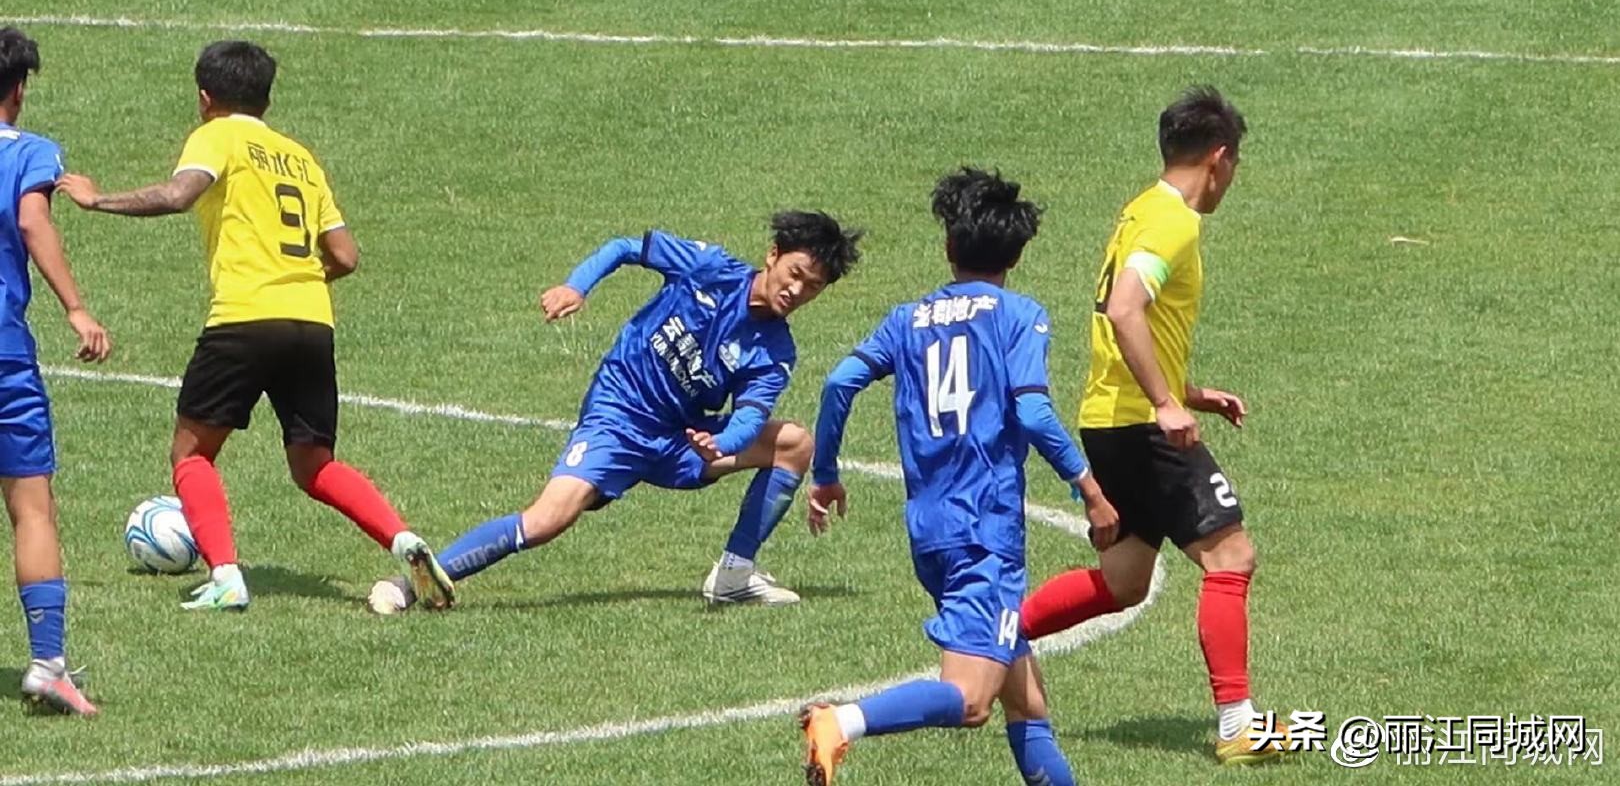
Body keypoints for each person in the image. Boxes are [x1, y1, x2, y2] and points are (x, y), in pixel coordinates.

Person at [57, 40, 453, 614]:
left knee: (191, 453)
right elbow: (344, 255)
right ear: (267, 98)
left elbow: (177, 194)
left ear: (204, 98)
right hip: (312, 321)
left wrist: (96, 201)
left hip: (243, 318)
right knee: (315, 465)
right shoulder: (299, 157)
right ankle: (403, 539)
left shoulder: (217, 135)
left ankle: (224, 575)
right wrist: (295, 280)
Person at [368, 212, 863, 614]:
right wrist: (576, 286)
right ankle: (409, 584)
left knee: (795, 443)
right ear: (773, 256)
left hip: (679, 441)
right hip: (619, 415)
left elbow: (751, 418)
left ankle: (734, 576)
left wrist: (724, 444)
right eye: (795, 274)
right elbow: (627, 246)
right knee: (546, 521)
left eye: (813, 287)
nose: (797, 291)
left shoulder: (775, 351)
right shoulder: (709, 267)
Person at [800, 167, 1118, 786]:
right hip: (986, 534)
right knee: (972, 700)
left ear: (949, 247)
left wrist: (827, 473)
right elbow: (1031, 411)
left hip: (931, 531)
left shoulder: (907, 320)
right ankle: (841, 722)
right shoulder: (1019, 315)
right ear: (1018, 253)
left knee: (1025, 701)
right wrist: (1090, 489)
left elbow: (840, 382)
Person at [1019, 85, 1288, 764]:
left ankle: (992, 640)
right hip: (1141, 424)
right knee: (1231, 556)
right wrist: (1168, 407)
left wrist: (1191, 393)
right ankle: (1238, 727)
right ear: (1219, 159)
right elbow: (1124, 309)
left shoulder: (1137, 210)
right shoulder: (1174, 223)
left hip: (1109, 419)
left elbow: (1134, 326)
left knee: (1124, 578)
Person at [0, 27, 110, 715]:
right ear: (18, 89)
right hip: (3, 351)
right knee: (31, 505)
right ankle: (48, 664)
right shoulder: (32, 153)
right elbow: (33, 221)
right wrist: (76, 307)